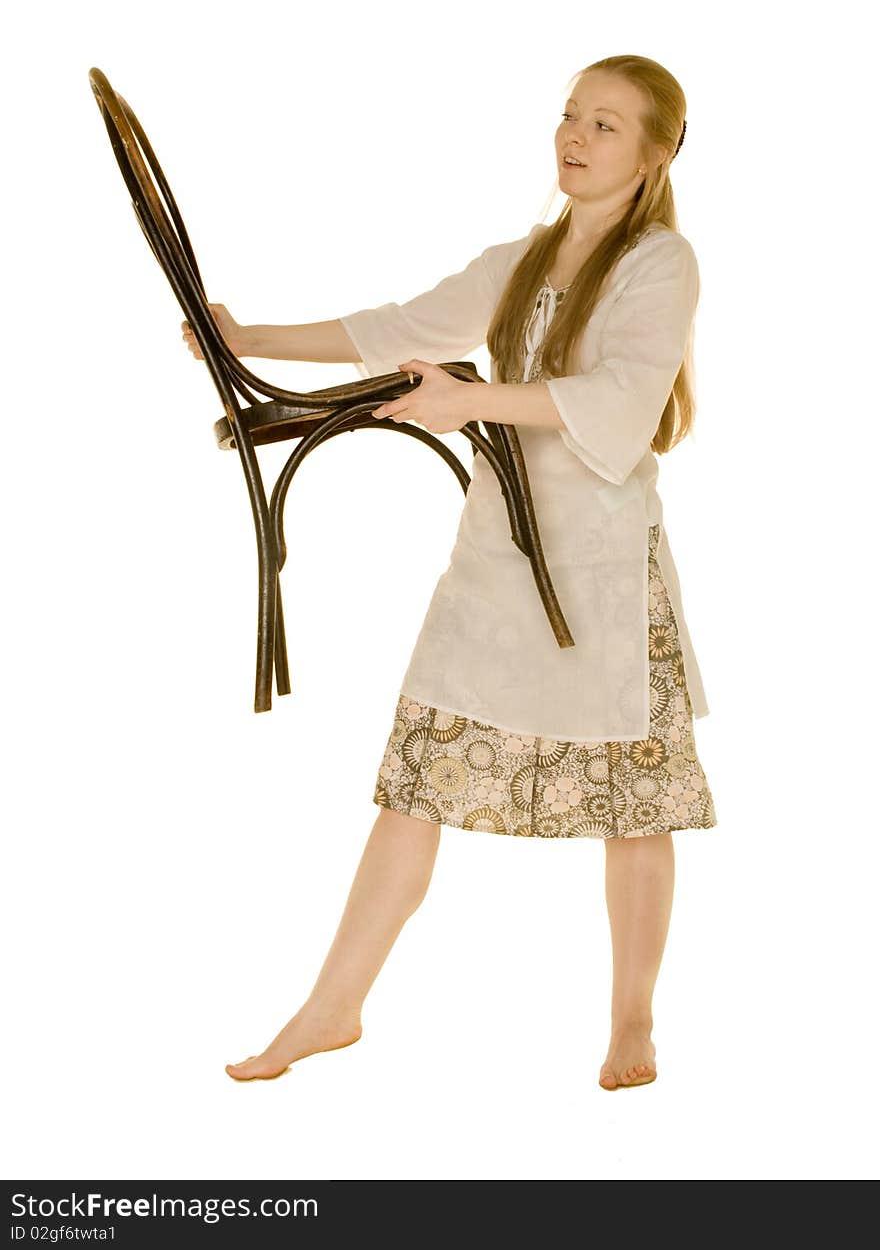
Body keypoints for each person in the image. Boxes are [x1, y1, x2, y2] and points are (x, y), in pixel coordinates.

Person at [182, 55, 717, 1091]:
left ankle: (632, 1023)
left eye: (606, 125)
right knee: (411, 788)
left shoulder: (663, 261)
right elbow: (398, 329)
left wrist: (470, 402)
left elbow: (619, 394)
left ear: (654, 153)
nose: (576, 135)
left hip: (603, 571)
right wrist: (246, 339)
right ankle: (330, 1010)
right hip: (495, 565)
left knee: (634, 806)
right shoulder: (522, 259)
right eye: (570, 115)